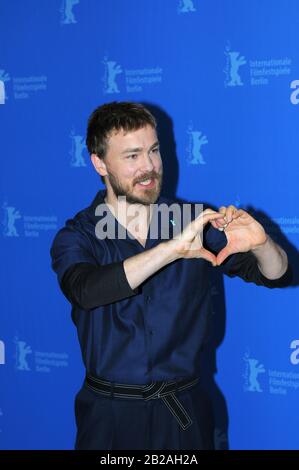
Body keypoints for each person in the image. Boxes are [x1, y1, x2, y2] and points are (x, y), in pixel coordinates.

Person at [50, 101, 291, 450]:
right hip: (110, 419)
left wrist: (263, 243)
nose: (149, 167)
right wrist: (171, 249)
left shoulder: (194, 221)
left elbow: (275, 274)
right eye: (132, 156)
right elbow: (86, 290)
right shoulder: (79, 235)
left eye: (154, 151)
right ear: (99, 163)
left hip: (184, 415)